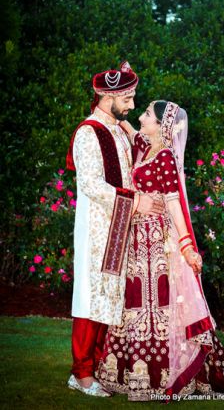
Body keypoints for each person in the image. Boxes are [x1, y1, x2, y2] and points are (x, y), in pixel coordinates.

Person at [97, 100, 224, 400]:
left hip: (157, 245)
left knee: (160, 307)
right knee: (134, 305)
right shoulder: (144, 146)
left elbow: (173, 204)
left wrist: (187, 247)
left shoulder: (164, 157)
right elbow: (124, 125)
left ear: (160, 126)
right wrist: (118, 89)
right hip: (135, 242)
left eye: (148, 114)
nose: (141, 115)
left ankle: (161, 376)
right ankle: (131, 374)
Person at [65, 62, 164, 397]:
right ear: (109, 95)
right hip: (97, 228)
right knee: (91, 297)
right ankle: (81, 374)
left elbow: (143, 152)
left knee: (110, 298)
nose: (133, 105)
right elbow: (91, 185)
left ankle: (95, 367)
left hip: (119, 226)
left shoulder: (119, 129)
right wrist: (138, 202)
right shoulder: (88, 132)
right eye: (128, 98)